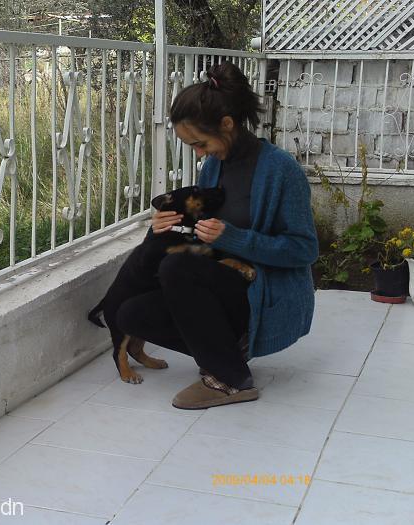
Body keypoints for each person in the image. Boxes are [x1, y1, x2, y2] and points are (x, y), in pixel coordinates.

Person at [115, 61, 319, 409]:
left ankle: (230, 379)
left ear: (227, 124)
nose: (198, 153)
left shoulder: (281, 170)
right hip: (218, 284)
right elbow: (200, 235)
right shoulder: (214, 165)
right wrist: (164, 228)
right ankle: (228, 350)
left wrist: (235, 237)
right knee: (131, 313)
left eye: (200, 143)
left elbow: (304, 250)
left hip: (260, 289)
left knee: (178, 268)